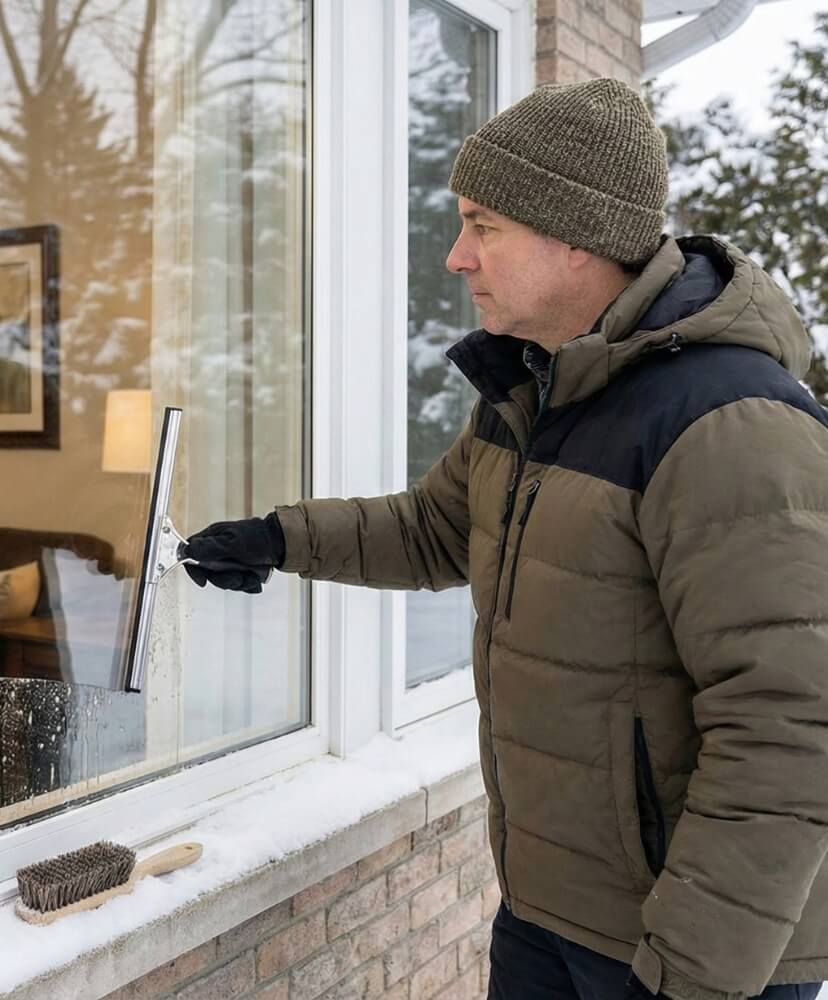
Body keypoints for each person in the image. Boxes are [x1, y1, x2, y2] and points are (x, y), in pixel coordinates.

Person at [182, 78, 828, 1000]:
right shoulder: (542, 393)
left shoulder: (729, 424)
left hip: (683, 950)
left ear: (575, 240)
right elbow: (437, 529)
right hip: (548, 909)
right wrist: (278, 539)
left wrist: (694, 971)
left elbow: (791, 724)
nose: (456, 256)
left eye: (483, 225)